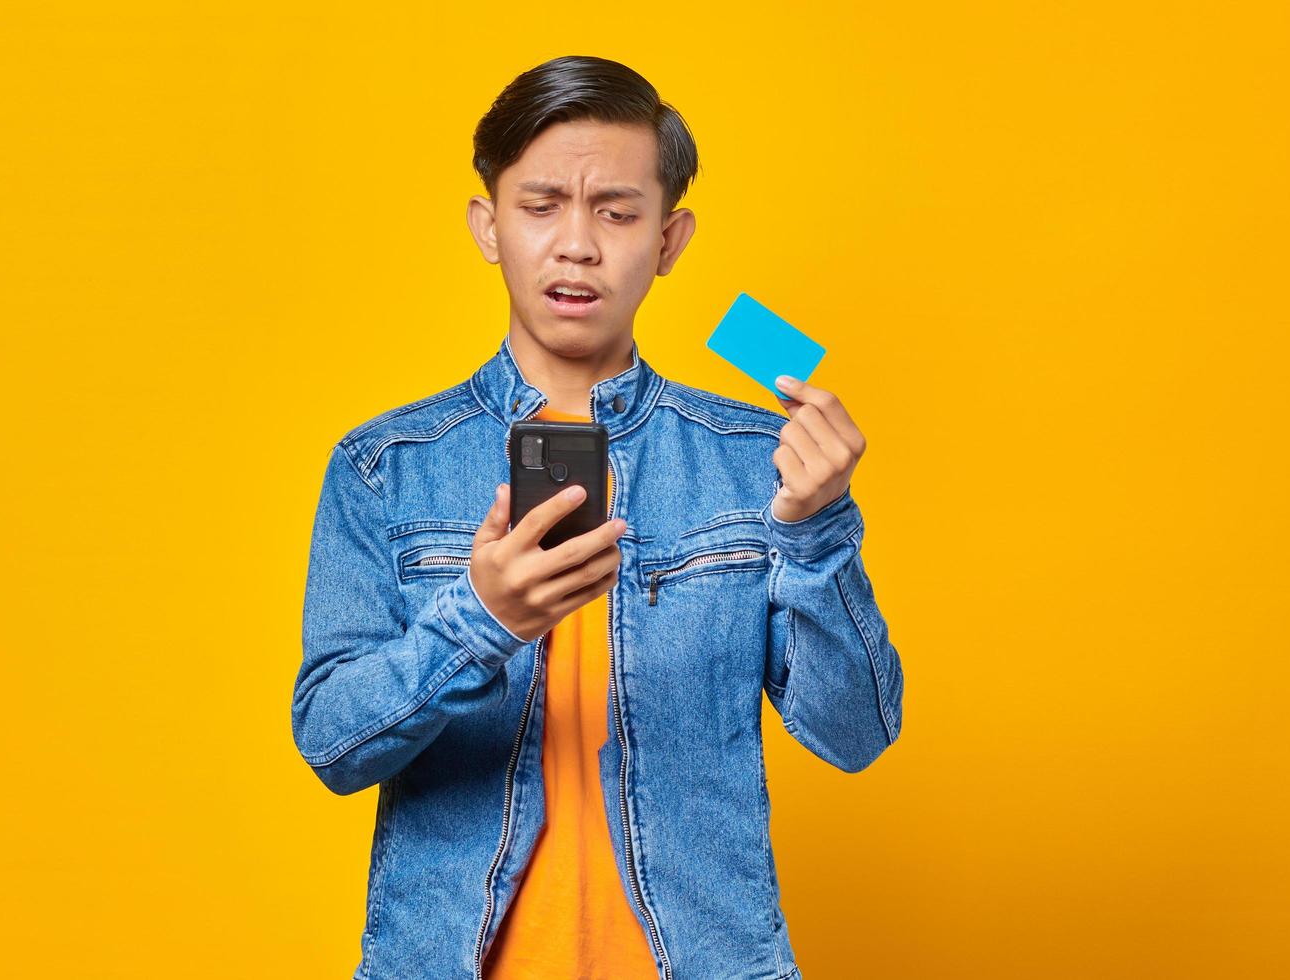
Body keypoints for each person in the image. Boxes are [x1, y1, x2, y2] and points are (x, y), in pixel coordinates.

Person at [291, 54, 904, 980]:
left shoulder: (755, 459)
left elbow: (856, 735)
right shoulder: (386, 467)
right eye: (541, 206)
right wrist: (481, 620)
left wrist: (818, 532)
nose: (578, 245)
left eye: (617, 213)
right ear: (487, 226)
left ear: (669, 239)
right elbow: (332, 743)